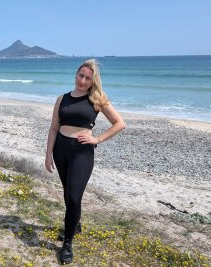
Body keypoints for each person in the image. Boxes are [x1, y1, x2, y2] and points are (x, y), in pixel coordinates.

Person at [45, 59, 125, 264]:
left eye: (87, 78)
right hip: (60, 149)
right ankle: (75, 224)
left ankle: (68, 243)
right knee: (67, 192)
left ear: (92, 81)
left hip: (82, 152)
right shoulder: (61, 99)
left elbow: (119, 123)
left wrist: (97, 139)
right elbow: (54, 128)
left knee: (73, 196)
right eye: (80, 75)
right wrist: (48, 154)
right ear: (75, 75)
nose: (82, 80)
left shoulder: (96, 100)